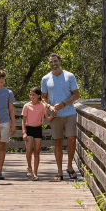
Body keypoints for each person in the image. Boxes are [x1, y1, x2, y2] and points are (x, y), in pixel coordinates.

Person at [41, 53, 81, 181]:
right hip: (55, 115)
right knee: (57, 142)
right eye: (51, 62)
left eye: (55, 61)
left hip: (69, 113)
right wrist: (49, 106)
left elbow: (76, 95)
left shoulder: (69, 76)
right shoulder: (45, 79)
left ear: (60, 61)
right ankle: (59, 171)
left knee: (71, 139)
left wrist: (64, 103)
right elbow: (43, 97)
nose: (53, 64)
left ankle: (69, 166)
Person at [22, 87, 54, 180]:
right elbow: (23, 121)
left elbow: (47, 118)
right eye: (30, 94)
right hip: (29, 129)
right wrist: (24, 132)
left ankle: (35, 173)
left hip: (38, 129)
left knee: (36, 152)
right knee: (28, 150)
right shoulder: (26, 106)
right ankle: (29, 168)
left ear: (39, 96)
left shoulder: (42, 106)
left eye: (33, 95)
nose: (31, 96)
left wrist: (53, 114)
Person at [0, 70, 16, 180]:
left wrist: (14, 124)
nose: (1, 80)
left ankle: (0, 170)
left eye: (3, 78)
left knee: (2, 146)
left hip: (5, 122)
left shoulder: (8, 92)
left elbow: (11, 110)